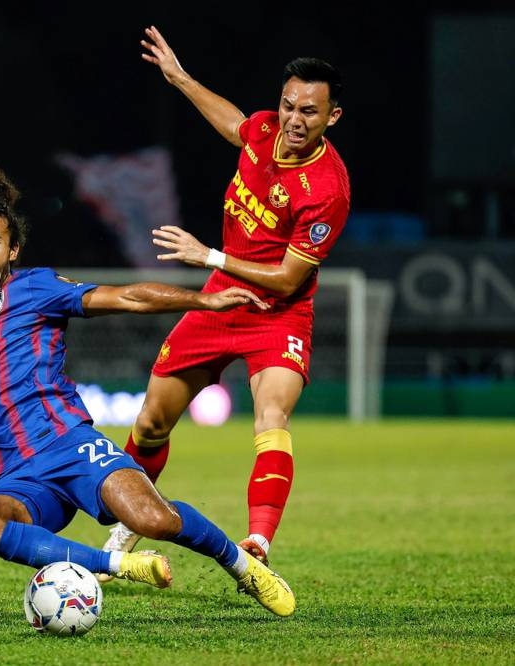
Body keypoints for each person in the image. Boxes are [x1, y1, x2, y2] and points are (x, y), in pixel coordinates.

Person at [0, 167, 297, 618]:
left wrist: (202, 299)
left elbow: (125, 296)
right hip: (21, 478)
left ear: (12, 250)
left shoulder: (36, 289)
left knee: (154, 518)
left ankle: (242, 566)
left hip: (69, 446)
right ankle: (120, 566)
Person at [98, 25, 351, 569]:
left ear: (332, 117)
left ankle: (257, 543)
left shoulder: (327, 191)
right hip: (218, 301)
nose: (294, 120)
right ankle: (129, 522)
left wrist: (208, 255)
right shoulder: (264, 131)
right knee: (149, 423)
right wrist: (179, 77)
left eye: (309, 111)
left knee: (271, 418)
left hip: (278, 313)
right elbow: (235, 123)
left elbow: (285, 279)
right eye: (288, 106)